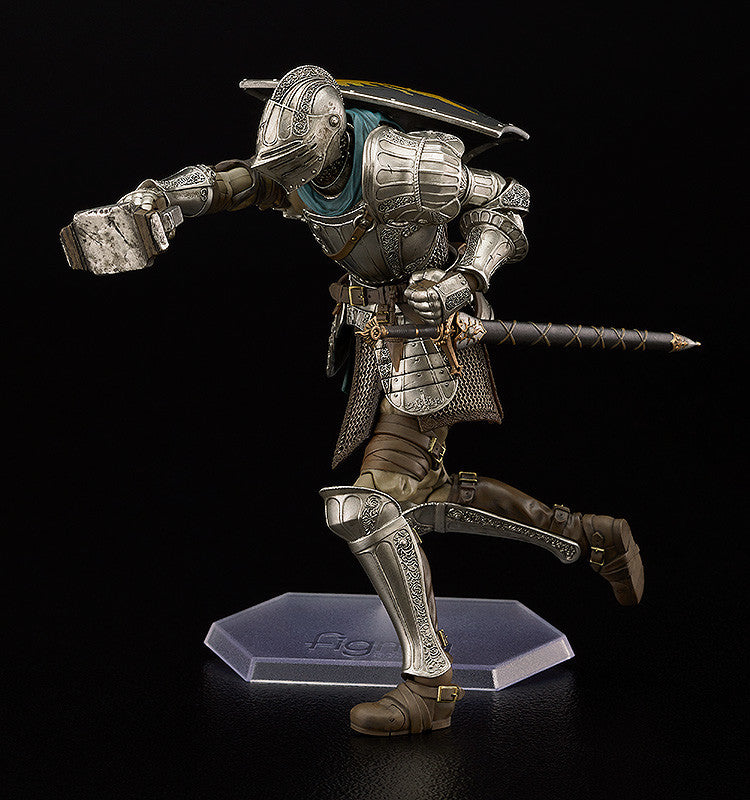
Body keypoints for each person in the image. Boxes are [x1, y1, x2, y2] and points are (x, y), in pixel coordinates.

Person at [65, 65, 643, 736]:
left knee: (366, 507)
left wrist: (462, 280)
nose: (293, 183)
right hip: (375, 337)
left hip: (428, 340)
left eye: (300, 168)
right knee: (418, 495)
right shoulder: (302, 170)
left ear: (333, 139)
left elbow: (506, 203)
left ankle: (430, 682)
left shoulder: (403, 165)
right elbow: (243, 183)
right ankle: (586, 535)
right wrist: (166, 198)